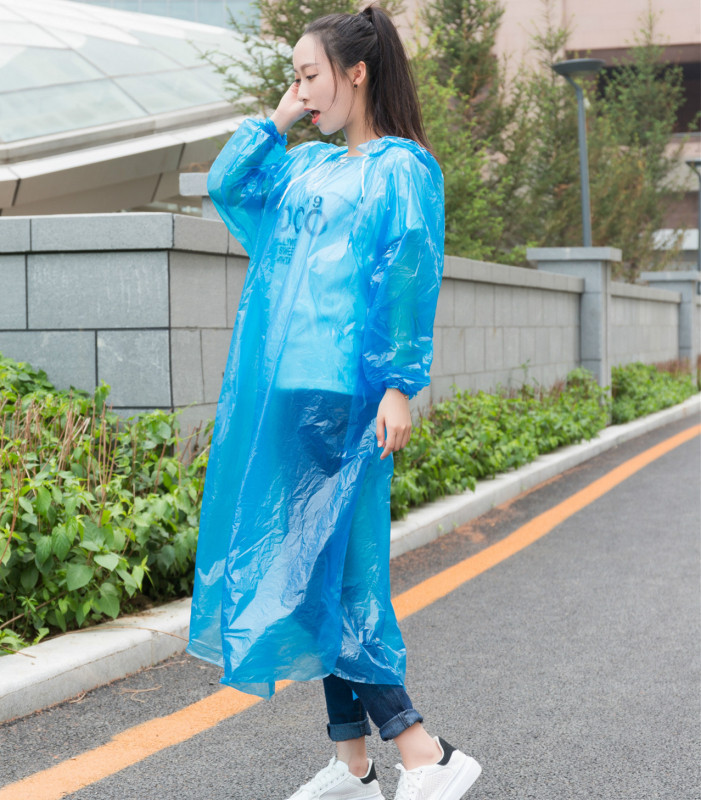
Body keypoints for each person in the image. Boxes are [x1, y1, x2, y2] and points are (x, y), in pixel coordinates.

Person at [187, 5, 482, 799]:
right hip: (291, 393)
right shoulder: (308, 166)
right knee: (308, 574)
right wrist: (277, 119)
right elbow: (227, 186)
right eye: (295, 76)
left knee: (344, 574)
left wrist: (398, 385)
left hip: (352, 399)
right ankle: (353, 764)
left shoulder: (401, 168)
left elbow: (408, 274)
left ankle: (423, 751)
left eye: (310, 74)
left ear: (357, 72)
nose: (302, 88)